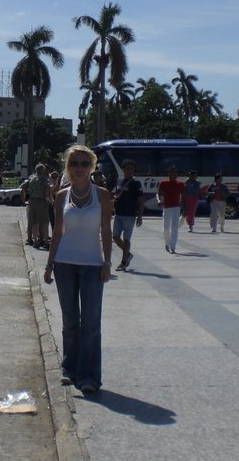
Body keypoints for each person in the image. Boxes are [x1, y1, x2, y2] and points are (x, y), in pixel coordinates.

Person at [43, 144, 113, 396]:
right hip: (64, 265)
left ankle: (90, 376)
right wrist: (49, 264)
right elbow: (58, 232)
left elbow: (106, 231)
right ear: (68, 168)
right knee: (70, 322)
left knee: (91, 324)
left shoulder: (102, 195)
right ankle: (70, 369)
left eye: (84, 163)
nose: (80, 168)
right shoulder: (61, 195)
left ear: (92, 166)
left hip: (92, 266)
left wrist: (107, 262)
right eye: (75, 164)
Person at [111, 159, 144, 271]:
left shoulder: (136, 183)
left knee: (126, 239)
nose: (129, 171)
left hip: (130, 215)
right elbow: (115, 195)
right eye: (127, 168)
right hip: (119, 214)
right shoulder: (119, 181)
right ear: (123, 169)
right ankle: (128, 254)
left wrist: (140, 216)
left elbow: (140, 200)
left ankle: (124, 262)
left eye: (131, 169)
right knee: (115, 237)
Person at [157, 167, 185, 254]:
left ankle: (173, 246)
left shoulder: (180, 184)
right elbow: (158, 193)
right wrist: (159, 201)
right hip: (166, 207)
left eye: (176, 173)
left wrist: (185, 207)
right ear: (169, 174)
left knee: (174, 228)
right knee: (166, 228)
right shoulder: (163, 183)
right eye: (173, 173)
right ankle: (167, 243)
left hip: (176, 208)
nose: (175, 175)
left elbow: (183, 196)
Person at [24, 163, 52, 249]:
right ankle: (46, 242)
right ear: (42, 170)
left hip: (32, 201)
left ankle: (35, 241)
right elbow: (47, 189)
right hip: (41, 201)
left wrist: (26, 198)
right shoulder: (44, 179)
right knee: (44, 222)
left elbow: (23, 187)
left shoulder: (31, 178)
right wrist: (48, 200)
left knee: (34, 223)